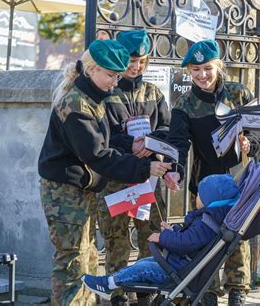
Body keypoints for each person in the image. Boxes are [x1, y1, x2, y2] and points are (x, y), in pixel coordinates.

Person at [38, 39, 172, 305]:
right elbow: (97, 155)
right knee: (73, 262)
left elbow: (104, 141)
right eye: (110, 75)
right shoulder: (76, 104)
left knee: (87, 259)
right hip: (64, 192)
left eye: (118, 76)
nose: (115, 82)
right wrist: (145, 166)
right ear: (91, 70)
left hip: (81, 189)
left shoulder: (92, 96)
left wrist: (128, 144)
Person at [163, 40, 260, 305]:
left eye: (207, 68)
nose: (202, 75)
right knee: (206, 233)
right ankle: (207, 287)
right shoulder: (185, 103)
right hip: (204, 179)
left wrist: (249, 143)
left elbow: (257, 132)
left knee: (236, 234)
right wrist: (174, 171)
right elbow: (178, 143)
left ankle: (237, 287)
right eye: (195, 70)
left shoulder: (238, 93)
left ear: (218, 66)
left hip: (238, 176)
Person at [95, 29, 171, 305]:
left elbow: (166, 127)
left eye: (141, 61)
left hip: (149, 178)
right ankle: (117, 292)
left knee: (149, 236)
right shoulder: (107, 92)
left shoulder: (154, 92)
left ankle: (145, 291)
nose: (135, 67)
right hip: (116, 176)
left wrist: (151, 143)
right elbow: (103, 134)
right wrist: (130, 144)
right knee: (116, 238)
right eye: (130, 61)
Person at [82, 174, 240, 300]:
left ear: (210, 201)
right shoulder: (208, 222)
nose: (196, 196)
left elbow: (185, 243)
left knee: (142, 269)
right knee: (142, 263)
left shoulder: (206, 223)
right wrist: (173, 231)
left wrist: (162, 238)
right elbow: (191, 239)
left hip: (178, 271)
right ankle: (111, 284)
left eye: (200, 195)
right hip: (179, 266)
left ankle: (108, 284)